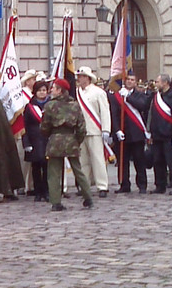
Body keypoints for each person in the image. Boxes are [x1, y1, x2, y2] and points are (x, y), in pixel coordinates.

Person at [40, 78, 93, 211]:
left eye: (54, 88)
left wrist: (49, 135)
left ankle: (56, 201)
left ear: (60, 90)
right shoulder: (75, 105)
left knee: (54, 173)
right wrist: (77, 140)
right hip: (71, 139)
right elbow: (82, 127)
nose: (51, 90)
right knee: (78, 170)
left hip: (55, 140)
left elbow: (44, 126)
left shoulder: (50, 106)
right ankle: (88, 197)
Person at [109, 73, 151, 194]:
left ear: (135, 82)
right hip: (122, 133)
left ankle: (142, 185)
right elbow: (114, 114)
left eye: (132, 80)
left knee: (139, 160)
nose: (129, 81)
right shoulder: (116, 96)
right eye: (127, 79)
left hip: (136, 133)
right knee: (122, 161)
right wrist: (116, 130)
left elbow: (142, 106)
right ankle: (124, 184)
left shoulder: (140, 95)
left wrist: (128, 97)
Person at [75, 66, 111, 198]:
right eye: (79, 76)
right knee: (83, 161)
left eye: (82, 76)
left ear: (88, 78)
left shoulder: (98, 92)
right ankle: (85, 185)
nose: (79, 79)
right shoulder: (77, 92)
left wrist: (106, 129)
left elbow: (105, 112)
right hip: (80, 131)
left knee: (97, 159)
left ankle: (102, 186)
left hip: (95, 129)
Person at [148, 74, 172, 196]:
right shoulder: (157, 96)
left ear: (165, 83)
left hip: (170, 136)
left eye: (157, 81)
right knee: (158, 162)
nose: (155, 83)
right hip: (158, 136)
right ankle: (160, 185)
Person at [22, 80, 50, 201]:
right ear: (35, 92)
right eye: (39, 90)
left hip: (47, 140)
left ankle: (47, 191)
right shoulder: (29, 107)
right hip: (34, 140)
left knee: (47, 167)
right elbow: (25, 126)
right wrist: (26, 142)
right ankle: (38, 192)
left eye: (44, 90)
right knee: (36, 168)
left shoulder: (50, 105)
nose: (42, 93)